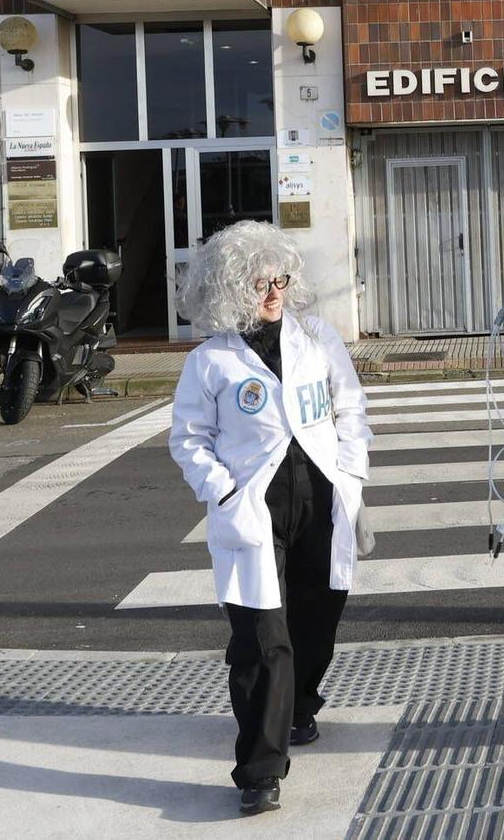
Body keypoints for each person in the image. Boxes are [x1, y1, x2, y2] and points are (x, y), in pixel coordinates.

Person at [168, 220, 371, 816]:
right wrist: (224, 493)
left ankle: (300, 706)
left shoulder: (318, 339)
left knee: (317, 618)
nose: (272, 292)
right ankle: (260, 769)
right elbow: (188, 440)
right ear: (231, 290)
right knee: (261, 639)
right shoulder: (211, 361)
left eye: (279, 279)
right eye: (258, 283)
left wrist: (353, 477)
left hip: (320, 498)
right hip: (253, 507)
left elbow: (350, 409)